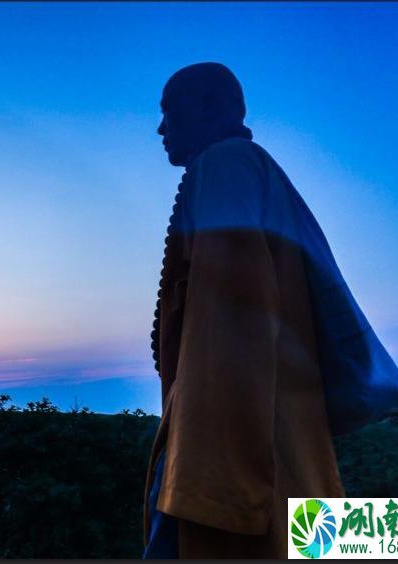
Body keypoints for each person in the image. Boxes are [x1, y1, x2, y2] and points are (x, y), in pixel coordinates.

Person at [142, 62, 355, 558]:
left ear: (213, 111)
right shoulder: (248, 168)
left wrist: (212, 483)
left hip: (230, 454)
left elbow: (233, 316)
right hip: (271, 438)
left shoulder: (225, 165)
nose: (160, 128)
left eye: (170, 111)